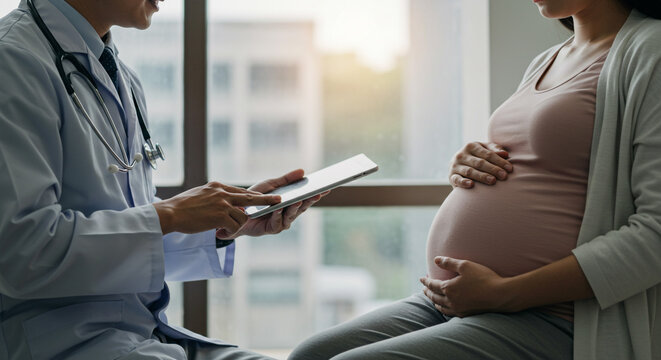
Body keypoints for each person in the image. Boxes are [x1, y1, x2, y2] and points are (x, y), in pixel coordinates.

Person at [289, 0, 661, 359]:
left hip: (551, 315)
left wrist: (506, 293)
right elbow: (546, 164)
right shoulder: (548, 59)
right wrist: (468, 162)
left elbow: (655, 233)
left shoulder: (650, 50)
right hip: (458, 301)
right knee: (311, 355)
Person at [0, 0, 323, 359]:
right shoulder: (12, 62)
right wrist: (168, 215)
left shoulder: (118, 75)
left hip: (141, 335)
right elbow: (23, 252)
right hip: (61, 344)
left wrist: (225, 223)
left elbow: (130, 238)